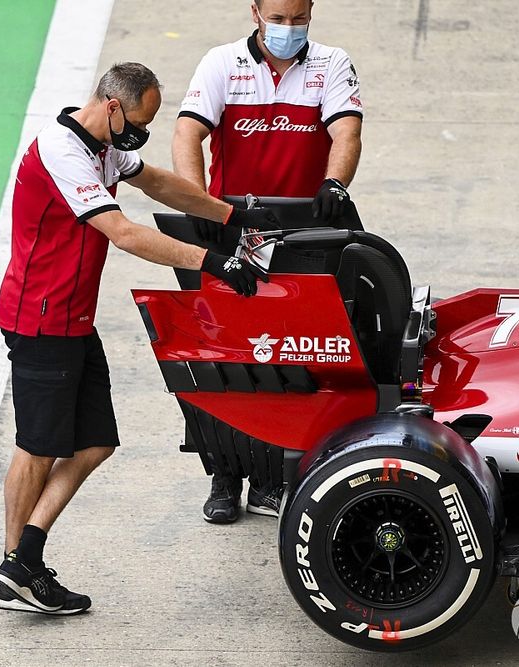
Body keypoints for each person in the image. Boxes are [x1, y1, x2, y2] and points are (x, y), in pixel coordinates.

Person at [0, 62, 277, 616]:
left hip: (73, 319)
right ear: (112, 106)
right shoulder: (62, 150)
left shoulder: (105, 145)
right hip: (40, 320)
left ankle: (22, 561)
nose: (140, 134)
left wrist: (230, 216)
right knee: (38, 446)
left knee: (95, 441)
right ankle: (15, 567)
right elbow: (122, 232)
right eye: (139, 123)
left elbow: (159, 183)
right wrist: (211, 261)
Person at [171, 0, 363, 524]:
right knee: (228, 353)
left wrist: (334, 183)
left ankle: (276, 475)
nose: (288, 27)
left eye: (298, 17)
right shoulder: (221, 63)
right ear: (255, 11)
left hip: (302, 234)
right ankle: (224, 475)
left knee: (295, 351)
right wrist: (197, 202)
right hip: (239, 232)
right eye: (278, 17)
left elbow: (346, 131)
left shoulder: (331, 63)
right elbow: (188, 133)